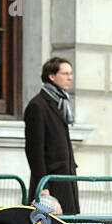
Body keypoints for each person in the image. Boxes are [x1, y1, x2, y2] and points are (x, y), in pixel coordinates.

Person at [24, 57, 79, 215]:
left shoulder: (61, 103)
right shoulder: (38, 106)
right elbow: (34, 152)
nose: (70, 78)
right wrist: (43, 187)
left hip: (65, 179)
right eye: (65, 73)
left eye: (71, 73)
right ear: (52, 76)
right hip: (49, 183)